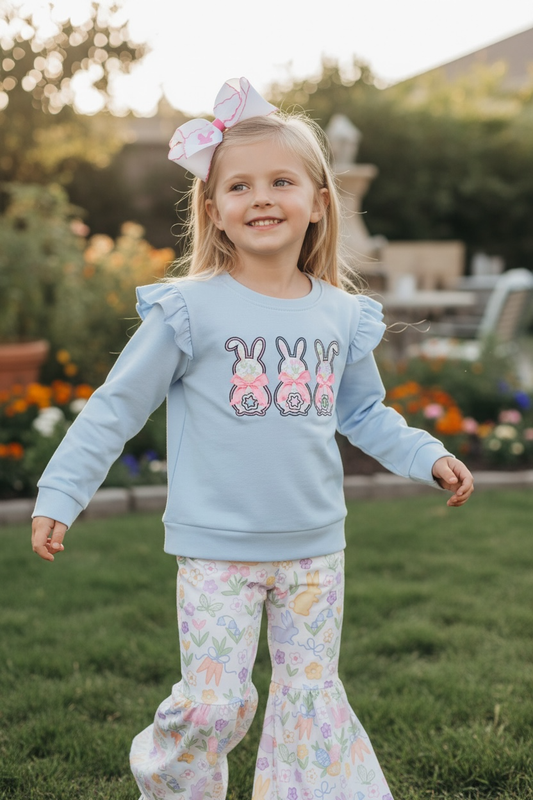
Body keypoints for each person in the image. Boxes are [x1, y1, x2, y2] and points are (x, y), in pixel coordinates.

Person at [32, 77, 474, 800]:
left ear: (317, 202)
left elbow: (362, 414)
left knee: (309, 701)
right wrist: (62, 490)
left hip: (313, 550)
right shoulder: (187, 310)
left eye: (280, 181)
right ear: (213, 209)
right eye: (238, 185)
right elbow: (116, 408)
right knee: (211, 706)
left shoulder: (342, 315)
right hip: (215, 551)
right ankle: (174, 788)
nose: (260, 197)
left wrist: (427, 454)